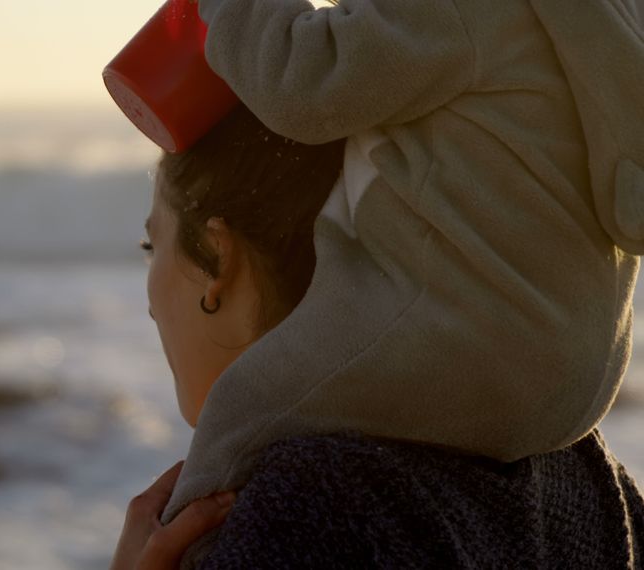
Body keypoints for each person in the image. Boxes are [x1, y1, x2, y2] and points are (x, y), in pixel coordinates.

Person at [109, 103, 644, 568]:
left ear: (217, 258)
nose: (151, 304)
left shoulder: (295, 515)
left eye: (151, 246)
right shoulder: (578, 466)